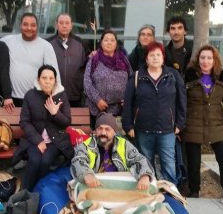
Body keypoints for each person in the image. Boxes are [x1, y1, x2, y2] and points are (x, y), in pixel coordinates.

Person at [182, 45, 223, 212]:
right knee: (193, 162)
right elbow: (181, 101)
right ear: (198, 59)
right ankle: (194, 191)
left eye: (209, 58)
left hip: (217, 124)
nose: (205, 61)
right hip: (193, 124)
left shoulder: (222, 76)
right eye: (203, 58)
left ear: (214, 60)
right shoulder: (188, 75)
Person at [0, 13, 60, 107]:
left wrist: (56, 97)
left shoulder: (46, 46)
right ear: (20, 26)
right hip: (12, 98)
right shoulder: (8, 41)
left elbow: (55, 75)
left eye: (33, 25)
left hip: (37, 97)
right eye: (25, 24)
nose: (29, 28)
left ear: (37, 27)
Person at [122, 41, 186, 185]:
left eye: (158, 55)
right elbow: (128, 103)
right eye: (152, 55)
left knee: (169, 164)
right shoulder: (137, 76)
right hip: (143, 129)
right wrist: (128, 126)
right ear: (146, 58)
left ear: (163, 58)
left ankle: (171, 196)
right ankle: (149, 195)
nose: (155, 58)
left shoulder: (173, 75)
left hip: (167, 129)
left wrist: (180, 124)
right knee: (145, 164)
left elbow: (182, 101)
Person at [18, 65, 74, 191]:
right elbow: (24, 121)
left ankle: (39, 191)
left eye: (51, 78)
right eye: (44, 78)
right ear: (38, 80)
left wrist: (55, 113)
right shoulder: (30, 95)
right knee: (34, 160)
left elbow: (66, 122)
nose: (47, 81)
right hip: (34, 139)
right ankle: (25, 191)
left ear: (55, 81)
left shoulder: (61, 96)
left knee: (45, 161)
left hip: (55, 140)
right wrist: (38, 141)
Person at [71, 112, 155, 190]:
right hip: (95, 187)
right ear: (95, 131)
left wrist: (145, 175)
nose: (103, 132)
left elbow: (139, 159)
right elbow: (78, 160)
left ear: (114, 132)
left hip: (120, 186)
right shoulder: (85, 145)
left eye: (107, 129)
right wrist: (87, 175)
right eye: (100, 128)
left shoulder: (124, 144)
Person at [84, 29, 131, 127]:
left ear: (116, 43)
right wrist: (97, 100)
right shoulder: (94, 59)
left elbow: (131, 79)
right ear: (101, 43)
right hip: (97, 109)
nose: (109, 42)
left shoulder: (123, 59)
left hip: (118, 110)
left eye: (112, 40)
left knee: (116, 139)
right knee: (99, 138)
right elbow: (87, 82)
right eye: (106, 40)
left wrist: (127, 97)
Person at [47, 13, 89, 107]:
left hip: (75, 95)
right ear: (56, 25)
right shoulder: (48, 44)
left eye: (67, 23)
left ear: (71, 25)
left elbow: (88, 65)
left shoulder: (80, 43)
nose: (64, 25)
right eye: (61, 23)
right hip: (52, 95)